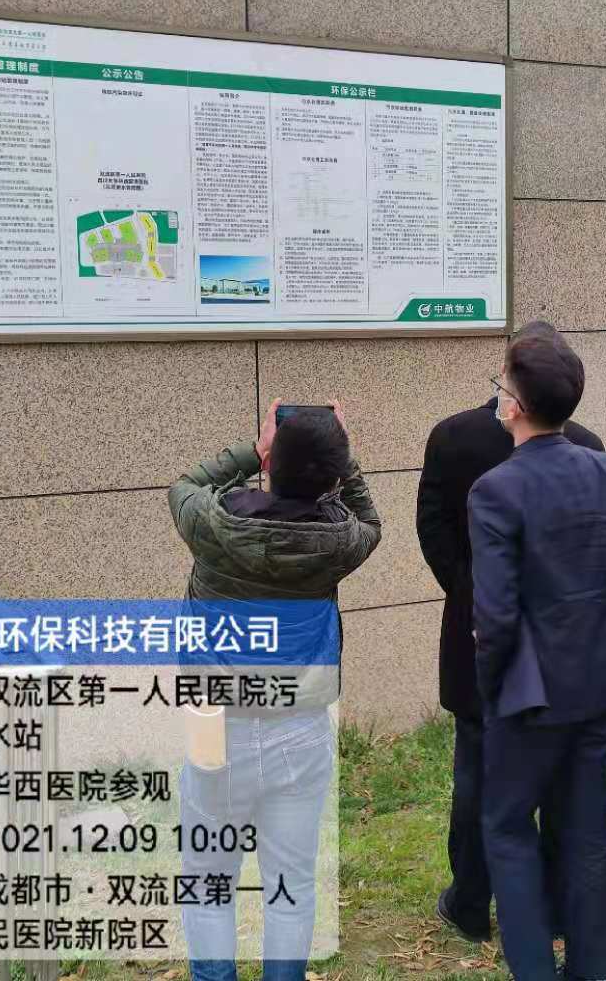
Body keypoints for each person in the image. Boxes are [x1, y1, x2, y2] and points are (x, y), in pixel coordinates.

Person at [168, 399, 382, 981]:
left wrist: (255, 450)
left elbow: (185, 484)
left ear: (272, 461)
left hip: (214, 725)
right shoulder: (339, 540)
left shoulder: (213, 525)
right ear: (332, 476)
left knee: (208, 881)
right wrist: (343, 458)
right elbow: (370, 521)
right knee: (291, 884)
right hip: (300, 727)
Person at [469, 333, 606, 981]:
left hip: (527, 691)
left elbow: (495, 615)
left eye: (502, 386)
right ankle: (595, 969)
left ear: (516, 405)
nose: (499, 396)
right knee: (589, 835)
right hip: (599, 680)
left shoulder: (496, 489)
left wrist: (492, 686)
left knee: (508, 830)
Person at [415, 321, 604, 943]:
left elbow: (433, 529)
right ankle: (551, 907)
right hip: (558, 639)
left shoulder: (452, 435)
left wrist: (467, 590)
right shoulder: (587, 446)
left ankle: (471, 901)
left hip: (476, 633)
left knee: (477, 770)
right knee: (556, 779)